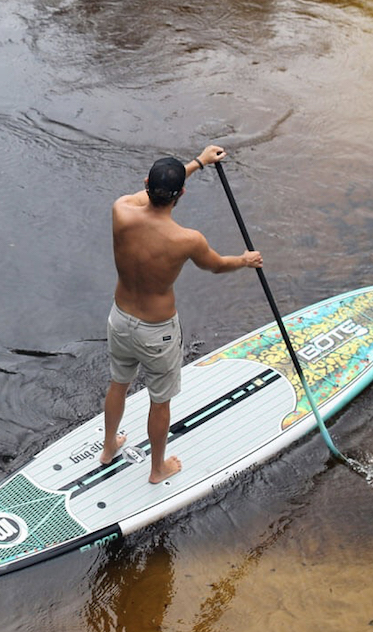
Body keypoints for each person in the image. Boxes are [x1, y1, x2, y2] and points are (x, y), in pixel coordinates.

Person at [100, 145, 263, 483]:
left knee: (119, 383)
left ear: (145, 184)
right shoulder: (186, 239)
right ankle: (157, 469)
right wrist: (245, 261)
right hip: (156, 331)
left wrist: (199, 162)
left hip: (119, 318)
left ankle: (107, 447)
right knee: (160, 401)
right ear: (182, 195)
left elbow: (150, 194)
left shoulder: (121, 211)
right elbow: (217, 267)